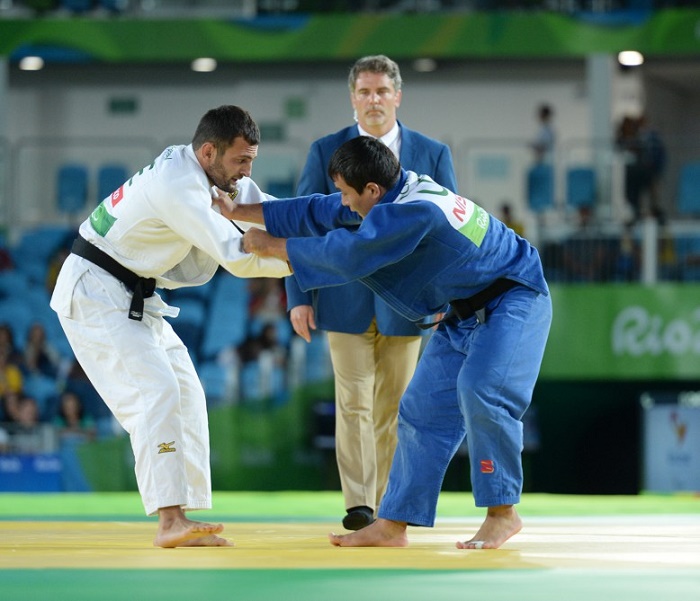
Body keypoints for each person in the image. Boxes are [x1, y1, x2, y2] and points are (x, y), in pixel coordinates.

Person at [224, 136, 552, 550]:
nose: (343, 203)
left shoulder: (413, 211)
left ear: (373, 191)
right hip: (464, 309)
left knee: (481, 391)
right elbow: (316, 209)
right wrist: (236, 210)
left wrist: (270, 246)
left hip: (515, 296)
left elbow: (348, 254)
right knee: (421, 408)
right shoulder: (390, 191)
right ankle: (392, 524)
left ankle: (503, 513)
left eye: (348, 194)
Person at [49, 105, 292, 548]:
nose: (246, 171)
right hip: (96, 290)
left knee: (186, 392)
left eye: (250, 160)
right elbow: (237, 255)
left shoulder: (212, 172)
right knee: (156, 391)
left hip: (136, 290)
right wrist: (313, 261)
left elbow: (261, 210)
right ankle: (168, 520)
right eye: (241, 161)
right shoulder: (179, 185)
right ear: (207, 152)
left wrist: (330, 226)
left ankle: (187, 514)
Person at [288, 54, 457, 530]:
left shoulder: (432, 153)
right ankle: (360, 505)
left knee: (397, 405)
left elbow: (447, 229)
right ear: (352, 97)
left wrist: (444, 296)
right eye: (364, 91)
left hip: (410, 301)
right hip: (341, 294)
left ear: (398, 96)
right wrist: (297, 294)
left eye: (382, 91)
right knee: (353, 401)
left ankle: (391, 505)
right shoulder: (324, 151)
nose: (373, 100)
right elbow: (301, 225)